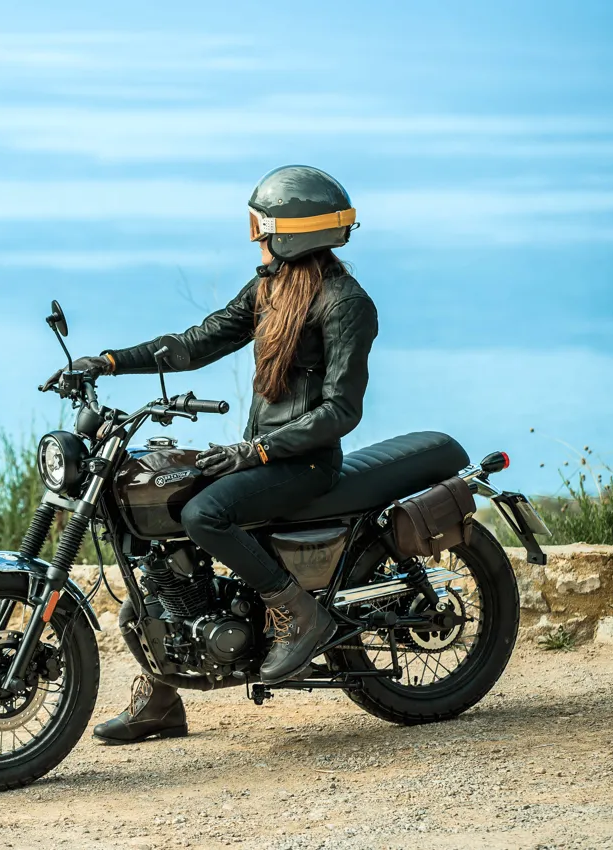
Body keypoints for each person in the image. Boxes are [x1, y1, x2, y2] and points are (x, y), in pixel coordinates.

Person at [53, 165, 378, 745]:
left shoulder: (345, 303)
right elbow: (192, 345)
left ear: (291, 231)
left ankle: (298, 614)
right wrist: (106, 362)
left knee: (204, 515)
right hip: (261, 456)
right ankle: (162, 697)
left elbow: (340, 411)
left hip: (303, 462)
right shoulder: (270, 289)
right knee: (159, 524)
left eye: (263, 224)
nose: (256, 235)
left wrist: (255, 450)